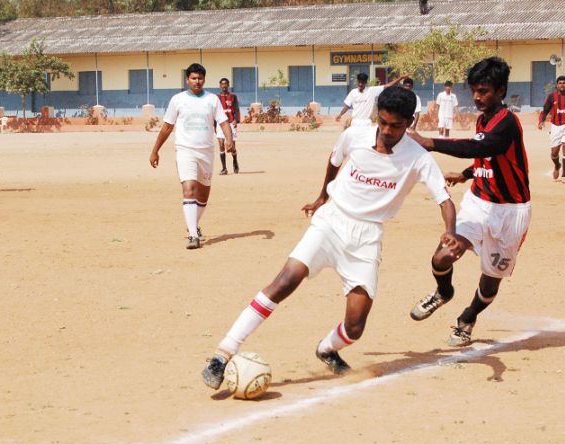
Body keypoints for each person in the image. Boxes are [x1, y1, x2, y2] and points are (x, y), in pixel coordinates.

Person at [201, 87, 459, 389]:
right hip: (332, 221)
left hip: (367, 236)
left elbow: (444, 199)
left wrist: (450, 232)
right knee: (284, 281)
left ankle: (327, 349)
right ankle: (223, 353)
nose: (388, 131)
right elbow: (335, 161)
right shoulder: (355, 135)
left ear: (409, 122)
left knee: (355, 325)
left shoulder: (418, 158)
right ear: (377, 116)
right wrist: (323, 196)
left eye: (396, 126)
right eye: (383, 122)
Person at [406, 57, 531, 347]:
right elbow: (487, 157)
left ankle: (468, 317)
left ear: (501, 91)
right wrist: (465, 175)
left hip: (511, 213)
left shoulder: (507, 122)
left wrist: (432, 142)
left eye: (484, 91)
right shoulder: (483, 118)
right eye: (474, 90)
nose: (477, 97)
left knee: (490, 281)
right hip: (478, 202)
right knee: (442, 256)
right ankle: (443, 292)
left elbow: (484, 146)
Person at [149, 63, 235, 250]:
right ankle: (193, 236)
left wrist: (229, 139)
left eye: (200, 78)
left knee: (203, 196)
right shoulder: (177, 100)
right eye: (193, 78)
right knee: (189, 189)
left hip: (206, 152)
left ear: (204, 79)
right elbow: (167, 126)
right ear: (187, 79)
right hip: (185, 150)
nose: (197, 81)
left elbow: (223, 121)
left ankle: (193, 225)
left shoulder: (212, 100)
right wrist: (155, 150)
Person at [538, 75, 565, 183]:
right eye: (560, 83)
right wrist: (541, 121)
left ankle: (564, 176)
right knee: (554, 153)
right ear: (557, 85)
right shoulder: (551, 97)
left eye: (564, 83)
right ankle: (557, 165)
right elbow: (545, 110)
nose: (562, 85)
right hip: (555, 126)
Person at [335, 72, 408, 127]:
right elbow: (347, 105)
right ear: (357, 82)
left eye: (362, 82)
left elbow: (388, 86)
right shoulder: (353, 92)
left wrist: (401, 77)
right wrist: (340, 115)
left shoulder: (371, 90)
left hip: (367, 122)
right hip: (355, 122)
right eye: (359, 82)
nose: (360, 84)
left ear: (365, 83)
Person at [216, 78, 241, 175]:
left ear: (228, 85)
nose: (224, 86)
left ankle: (235, 161)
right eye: (222, 84)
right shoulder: (217, 97)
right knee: (221, 145)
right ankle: (224, 168)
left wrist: (236, 120)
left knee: (231, 147)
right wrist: (214, 124)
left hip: (231, 122)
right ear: (220, 85)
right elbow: (214, 111)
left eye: (226, 84)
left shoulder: (233, 96)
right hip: (220, 123)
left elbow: (237, 109)